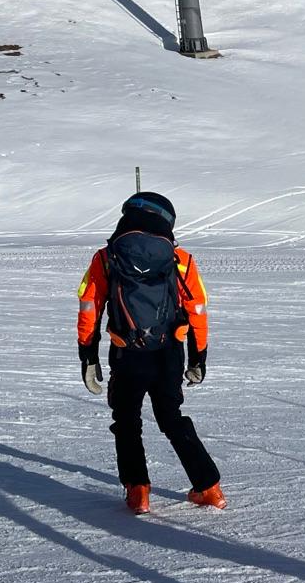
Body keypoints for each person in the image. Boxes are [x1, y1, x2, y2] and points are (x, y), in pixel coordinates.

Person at [76, 192, 225, 514]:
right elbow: (197, 309)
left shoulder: (106, 258)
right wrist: (198, 357)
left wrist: (88, 355)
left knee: (126, 420)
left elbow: (89, 306)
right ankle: (209, 488)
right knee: (171, 418)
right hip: (168, 352)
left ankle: (138, 492)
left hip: (127, 353)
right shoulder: (180, 259)